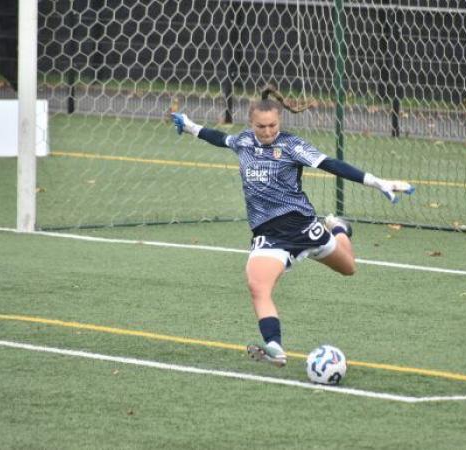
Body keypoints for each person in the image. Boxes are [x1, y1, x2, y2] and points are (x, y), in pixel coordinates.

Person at [171, 87, 414, 367]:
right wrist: (190, 126)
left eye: (273, 125)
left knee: (349, 268)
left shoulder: (291, 145)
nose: (267, 131)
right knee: (257, 286)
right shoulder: (243, 142)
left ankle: (338, 229)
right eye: (261, 126)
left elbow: (332, 164)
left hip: (303, 228)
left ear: (280, 122)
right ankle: (274, 346)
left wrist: (376, 181)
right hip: (269, 236)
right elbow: (219, 138)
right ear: (251, 124)